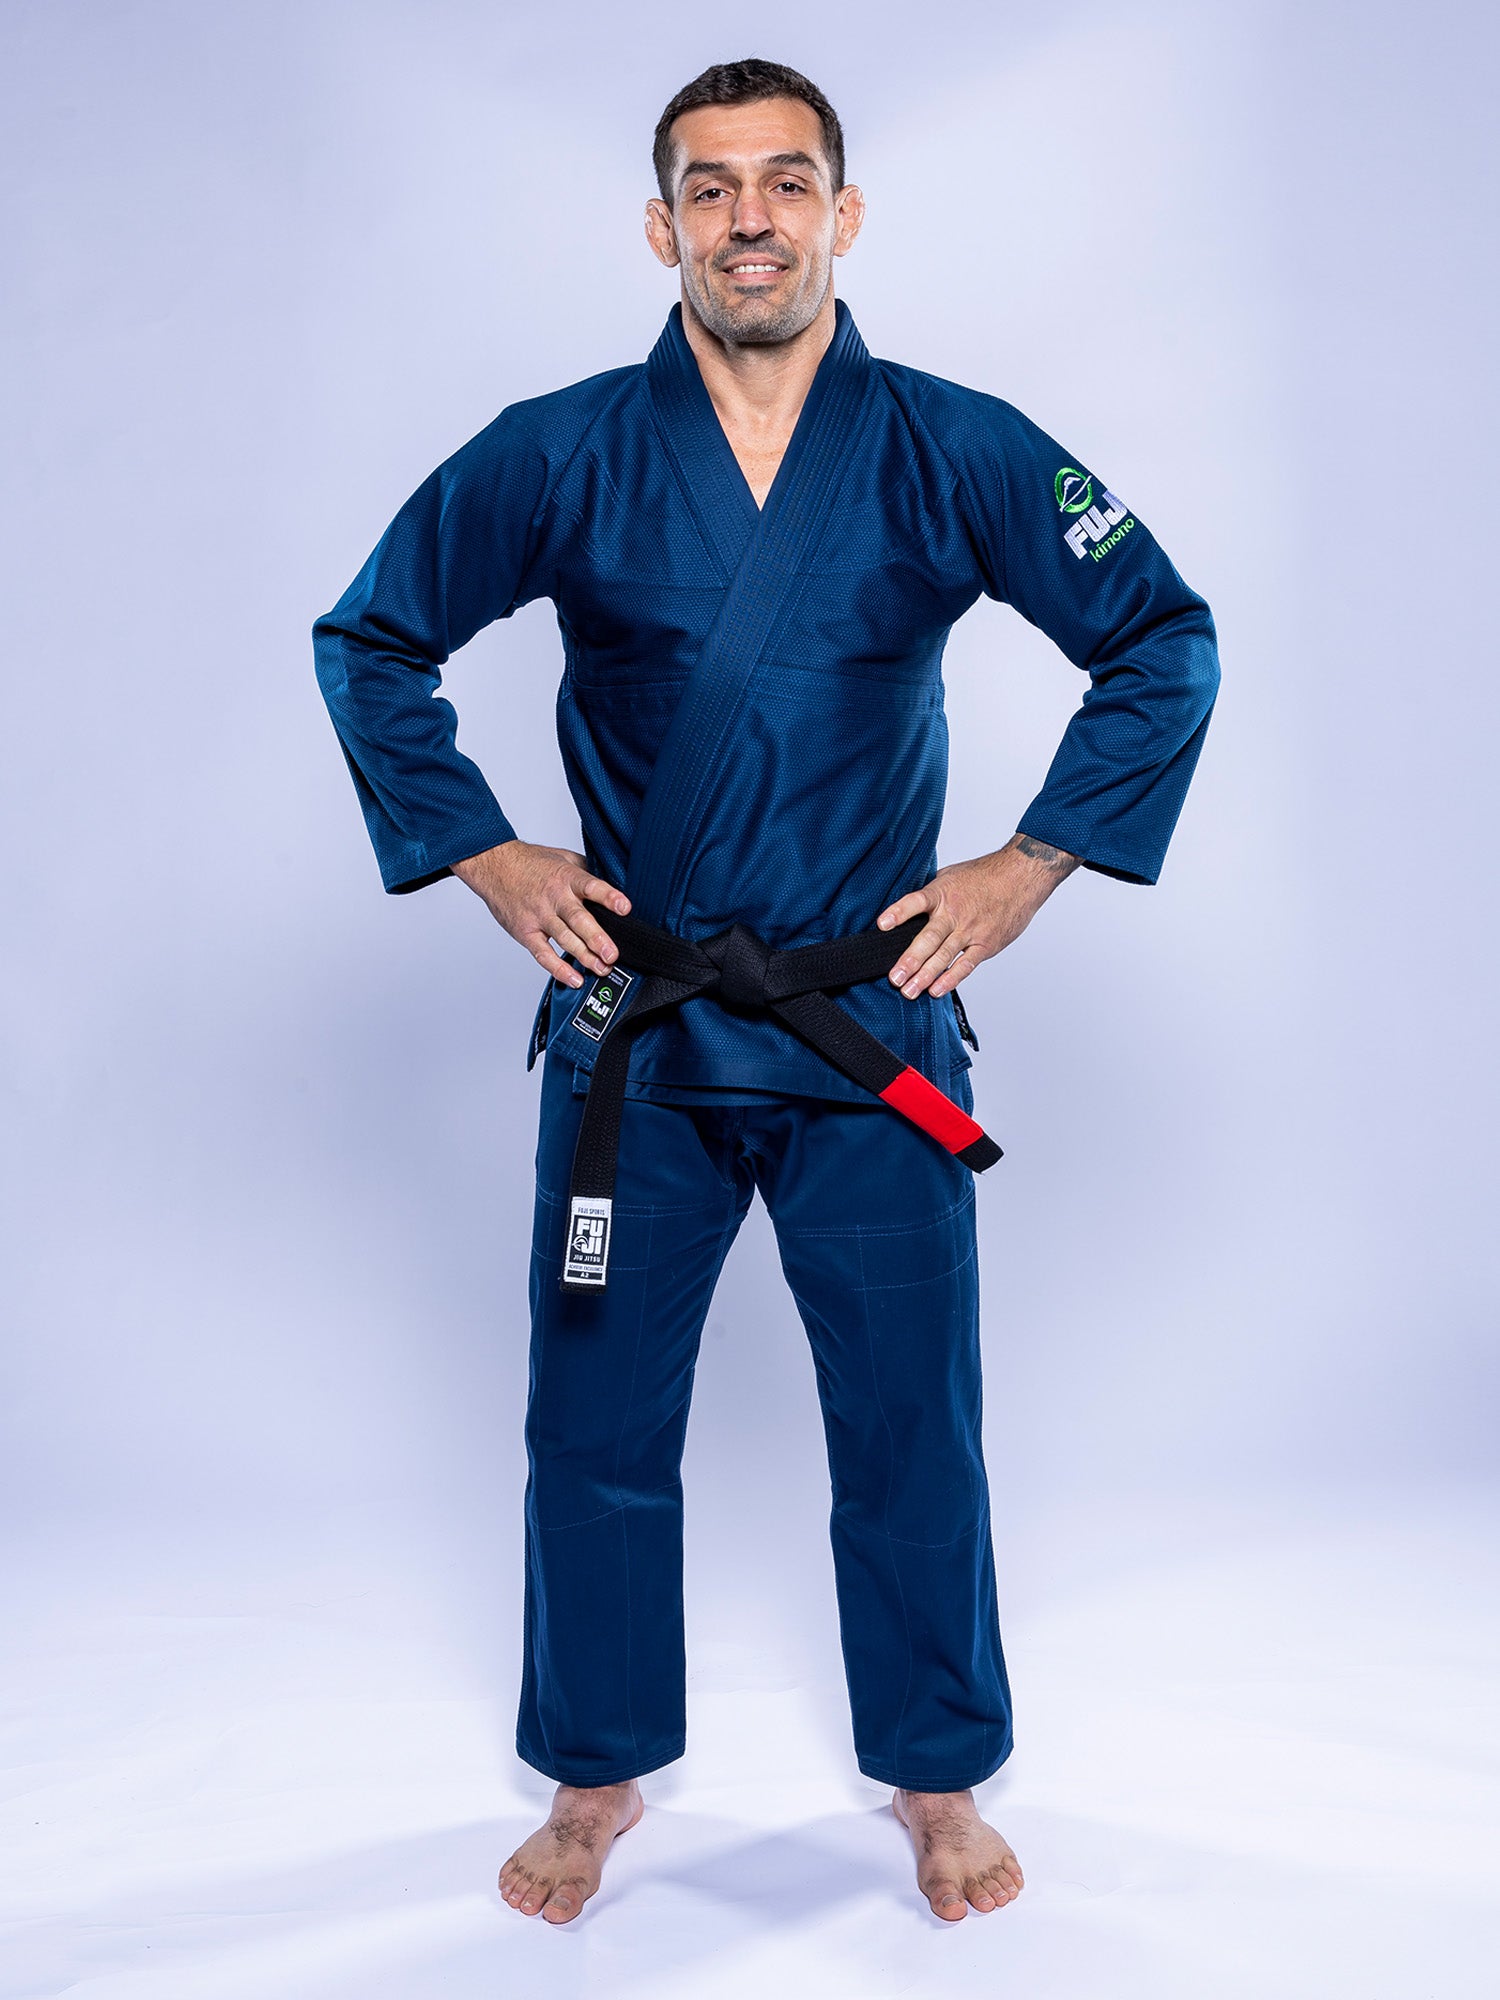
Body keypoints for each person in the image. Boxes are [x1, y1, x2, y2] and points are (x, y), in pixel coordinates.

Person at [312, 57, 1220, 1926]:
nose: (750, 218)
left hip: (864, 1024)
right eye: (711, 189)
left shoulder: (952, 443)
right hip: (631, 1038)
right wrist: (488, 851)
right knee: (594, 1425)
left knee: (911, 1422)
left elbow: (1163, 637)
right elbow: (372, 637)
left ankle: (938, 1780)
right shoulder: (558, 448)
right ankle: (593, 1776)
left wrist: (1027, 862)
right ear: (662, 228)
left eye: (786, 183)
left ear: (842, 216)